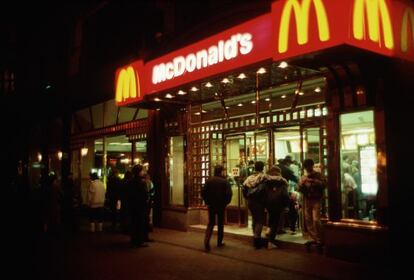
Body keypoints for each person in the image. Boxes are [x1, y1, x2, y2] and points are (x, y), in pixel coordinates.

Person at [201, 165, 232, 252]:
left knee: (211, 223)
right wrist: (225, 202)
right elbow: (229, 194)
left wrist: (207, 201)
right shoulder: (224, 181)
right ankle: (219, 241)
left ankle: (206, 241)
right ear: (221, 171)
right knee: (220, 224)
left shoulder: (209, 181)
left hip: (211, 205)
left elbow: (203, 192)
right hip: (221, 205)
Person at [298, 159, 326, 252]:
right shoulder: (303, 176)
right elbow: (300, 189)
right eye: (306, 167)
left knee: (315, 219)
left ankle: (319, 238)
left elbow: (324, 184)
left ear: (312, 166)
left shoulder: (318, 175)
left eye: (308, 166)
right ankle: (315, 239)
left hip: (316, 199)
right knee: (308, 220)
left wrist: (312, 181)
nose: (307, 168)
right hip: (307, 199)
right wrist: (301, 184)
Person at [264, 166, 290, 249]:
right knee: (276, 222)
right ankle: (271, 242)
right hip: (278, 203)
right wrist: (286, 205)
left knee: (271, 217)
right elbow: (285, 195)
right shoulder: (282, 181)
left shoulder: (266, 180)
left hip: (268, 202)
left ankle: (268, 229)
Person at [243, 161, 267, 249]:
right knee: (259, 220)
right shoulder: (263, 177)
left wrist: (247, 197)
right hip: (259, 202)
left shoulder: (249, 178)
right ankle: (257, 240)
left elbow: (244, 189)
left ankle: (255, 236)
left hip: (251, 202)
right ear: (263, 168)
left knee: (254, 218)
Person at [126, 165, 150, 248]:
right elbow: (145, 195)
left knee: (134, 223)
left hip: (133, 206)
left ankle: (134, 240)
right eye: (142, 171)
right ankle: (139, 241)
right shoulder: (141, 182)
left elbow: (128, 194)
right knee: (140, 223)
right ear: (139, 172)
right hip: (141, 206)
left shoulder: (130, 182)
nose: (144, 172)